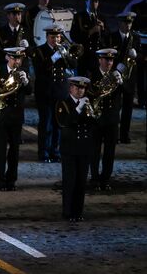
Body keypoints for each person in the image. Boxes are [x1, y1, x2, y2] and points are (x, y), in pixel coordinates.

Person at [31, 24, 77, 162]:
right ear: (47, 37)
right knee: (46, 124)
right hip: (45, 92)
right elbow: (40, 69)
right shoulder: (39, 50)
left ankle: (55, 152)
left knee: (58, 124)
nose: (56, 40)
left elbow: (73, 65)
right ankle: (43, 153)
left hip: (60, 92)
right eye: (52, 37)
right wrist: (53, 58)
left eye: (58, 37)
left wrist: (66, 54)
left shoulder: (63, 49)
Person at [0, 47, 31, 190]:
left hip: (17, 116)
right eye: (14, 58)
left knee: (14, 150)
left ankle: (11, 180)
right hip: (2, 115)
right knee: (1, 150)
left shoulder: (22, 71)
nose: (17, 61)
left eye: (19, 58)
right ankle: (0, 181)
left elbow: (29, 91)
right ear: (8, 57)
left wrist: (26, 81)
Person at [55, 76, 96, 222]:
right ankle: (67, 212)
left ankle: (78, 211)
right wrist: (78, 109)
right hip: (69, 149)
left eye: (83, 88)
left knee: (81, 182)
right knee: (69, 181)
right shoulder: (63, 103)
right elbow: (64, 122)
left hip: (84, 148)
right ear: (71, 88)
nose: (81, 91)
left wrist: (92, 113)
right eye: (78, 88)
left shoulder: (88, 104)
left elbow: (94, 124)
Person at [88, 48, 123, 191]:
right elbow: (90, 95)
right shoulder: (92, 75)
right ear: (99, 60)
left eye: (111, 60)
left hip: (112, 119)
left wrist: (121, 83)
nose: (109, 63)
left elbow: (126, 94)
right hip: (97, 120)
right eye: (106, 60)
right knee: (95, 151)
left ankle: (106, 179)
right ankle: (95, 179)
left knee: (110, 152)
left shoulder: (116, 76)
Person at [106, 11, 141, 144]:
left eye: (130, 23)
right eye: (125, 23)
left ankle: (124, 135)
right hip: (115, 76)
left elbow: (142, 56)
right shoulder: (111, 37)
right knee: (114, 108)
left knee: (128, 109)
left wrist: (136, 55)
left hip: (129, 78)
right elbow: (107, 54)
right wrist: (116, 67)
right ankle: (113, 135)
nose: (128, 26)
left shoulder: (135, 37)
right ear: (119, 23)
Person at [70, 0, 109, 75]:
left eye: (96, 1)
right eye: (91, 1)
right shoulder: (79, 17)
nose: (94, 3)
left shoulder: (101, 17)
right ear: (86, 2)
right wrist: (90, 32)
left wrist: (103, 28)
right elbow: (74, 36)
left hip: (97, 57)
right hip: (84, 57)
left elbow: (107, 37)